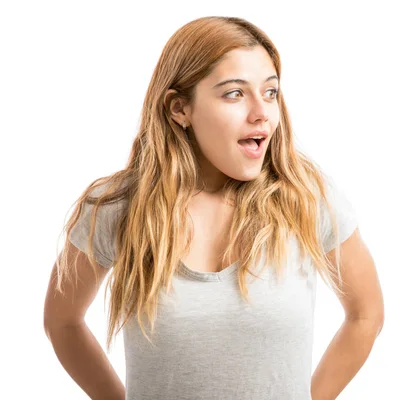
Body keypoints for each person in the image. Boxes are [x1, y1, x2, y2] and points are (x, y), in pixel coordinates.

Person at [43, 16, 384, 400]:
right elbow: (63, 322)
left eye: (270, 92)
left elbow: (366, 314)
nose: (261, 113)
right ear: (179, 109)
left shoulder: (306, 198)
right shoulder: (120, 207)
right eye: (235, 94)